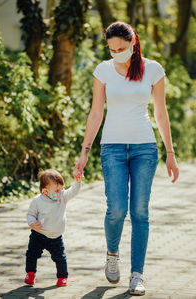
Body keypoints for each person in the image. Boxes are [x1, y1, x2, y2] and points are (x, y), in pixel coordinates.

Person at [73, 21, 179, 295]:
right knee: (116, 209)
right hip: (113, 149)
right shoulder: (103, 70)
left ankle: (137, 275)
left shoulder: (153, 69)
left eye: (121, 48)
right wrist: (84, 152)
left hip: (145, 148)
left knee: (140, 213)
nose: (116, 53)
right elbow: (96, 114)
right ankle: (112, 253)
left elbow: (161, 113)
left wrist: (170, 153)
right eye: (111, 49)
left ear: (133, 43)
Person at [24, 169, 81, 287]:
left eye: (62, 188)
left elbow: (73, 191)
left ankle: (62, 277)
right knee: (31, 254)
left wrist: (77, 181)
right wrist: (32, 223)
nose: (60, 191)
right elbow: (30, 215)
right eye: (57, 190)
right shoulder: (37, 201)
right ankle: (30, 274)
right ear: (45, 191)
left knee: (60, 257)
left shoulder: (62, 197)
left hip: (55, 236)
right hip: (38, 234)